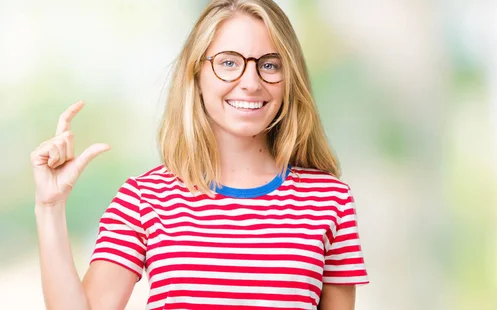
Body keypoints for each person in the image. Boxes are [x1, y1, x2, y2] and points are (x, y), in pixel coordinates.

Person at [30, 0, 368, 309]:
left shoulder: (329, 200)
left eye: (269, 64)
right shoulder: (144, 199)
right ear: (197, 74)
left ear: (289, 77)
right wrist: (50, 207)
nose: (250, 82)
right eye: (228, 62)